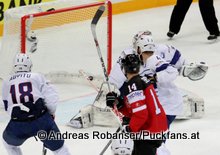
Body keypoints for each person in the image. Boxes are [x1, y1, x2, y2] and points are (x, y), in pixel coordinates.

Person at [1, 53, 71, 155]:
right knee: (60, 149)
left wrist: (20, 117)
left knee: (8, 144)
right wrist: (51, 113)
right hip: (41, 120)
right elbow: (52, 96)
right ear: (29, 65)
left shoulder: (7, 82)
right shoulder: (37, 76)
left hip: (18, 124)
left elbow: (7, 105)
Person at [106, 54, 168, 155]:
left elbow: (141, 114)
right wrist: (119, 104)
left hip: (149, 131)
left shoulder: (133, 85)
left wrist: (130, 129)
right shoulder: (141, 80)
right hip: (156, 128)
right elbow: (136, 110)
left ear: (124, 69)